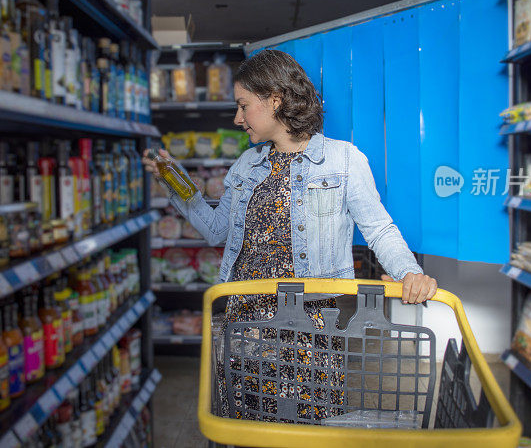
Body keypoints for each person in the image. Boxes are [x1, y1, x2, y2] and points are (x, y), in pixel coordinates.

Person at [143, 49, 437, 419]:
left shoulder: (343, 160)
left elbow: (379, 229)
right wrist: (172, 179)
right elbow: (217, 229)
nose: (238, 118)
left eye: (243, 106)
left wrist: (408, 273)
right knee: (248, 427)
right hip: (244, 324)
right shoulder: (246, 164)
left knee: (307, 425)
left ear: (275, 100)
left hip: (310, 331)